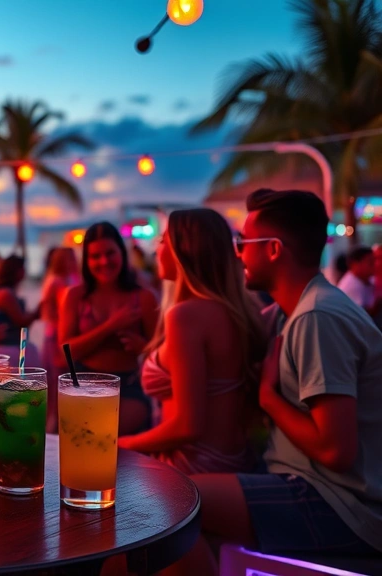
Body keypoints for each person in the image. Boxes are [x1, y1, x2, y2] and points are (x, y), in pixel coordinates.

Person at [171, 190, 382, 574]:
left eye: (243, 242)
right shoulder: (294, 311)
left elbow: (336, 450)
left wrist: (269, 398)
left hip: (340, 503)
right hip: (310, 484)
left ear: (272, 249)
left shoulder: (318, 318)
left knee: (171, 501)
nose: (237, 254)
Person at [118, 209, 267, 474]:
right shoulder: (236, 311)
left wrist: (121, 444)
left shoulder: (185, 316)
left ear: (184, 251)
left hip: (191, 465)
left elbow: (187, 426)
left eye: (163, 241)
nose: (157, 249)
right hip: (235, 459)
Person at [58, 222, 159, 434]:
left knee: (108, 435)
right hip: (82, 384)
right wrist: (110, 326)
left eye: (110, 253)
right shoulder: (75, 296)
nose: (104, 261)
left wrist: (143, 348)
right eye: (95, 256)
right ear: (86, 260)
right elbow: (66, 351)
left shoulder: (143, 298)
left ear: (122, 253)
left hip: (128, 386)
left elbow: (161, 354)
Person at [39, 247, 79, 433]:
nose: (73, 261)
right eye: (69, 259)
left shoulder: (67, 278)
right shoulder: (56, 282)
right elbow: (56, 310)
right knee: (57, 380)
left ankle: (57, 422)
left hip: (60, 333)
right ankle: (53, 424)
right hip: (55, 334)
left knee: (62, 378)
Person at [0, 255, 40, 363]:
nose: (24, 272)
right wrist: (38, 311)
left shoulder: (5, 291)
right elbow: (20, 321)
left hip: (8, 347)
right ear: (15, 271)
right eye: (22, 269)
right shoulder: (5, 294)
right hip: (6, 348)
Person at [337, 246, 380, 317]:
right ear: (355, 264)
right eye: (370, 262)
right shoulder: (351, 285)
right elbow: (361, 315)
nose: (375, 264)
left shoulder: (368, 279)